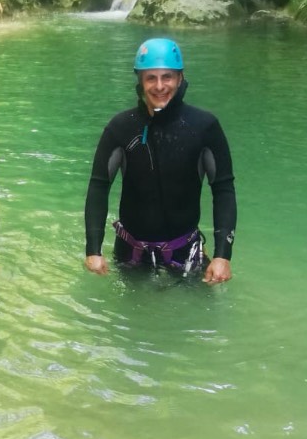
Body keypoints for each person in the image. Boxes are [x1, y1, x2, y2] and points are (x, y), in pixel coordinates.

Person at [83, 38, 237, 284]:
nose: (159, 86)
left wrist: (222, 256)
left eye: (167, 77)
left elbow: (223, 189)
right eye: (150, 78)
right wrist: (93, 250)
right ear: (140, 81)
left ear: (180, 78)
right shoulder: (120, 128)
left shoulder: (205, 127)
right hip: (130, 253)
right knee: (131, 321)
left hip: (186, 252)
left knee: (197, 320)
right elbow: (99, 186)